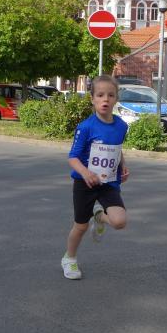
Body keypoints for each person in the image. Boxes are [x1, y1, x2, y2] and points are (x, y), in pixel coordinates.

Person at [62, 74, 130, 280]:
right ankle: (69, 259)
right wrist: (86, 173)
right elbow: (73, 157)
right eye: (100, 95)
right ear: (92, 99)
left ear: (116, 99)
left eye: (110, 95)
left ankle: (99, 216)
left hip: (109, 182)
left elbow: (117, 149)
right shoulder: (86, 127)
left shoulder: (121, 126)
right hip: (85, 183)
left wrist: (123, 165)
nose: (105, 99)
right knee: (81, 226)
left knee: (119, 221)